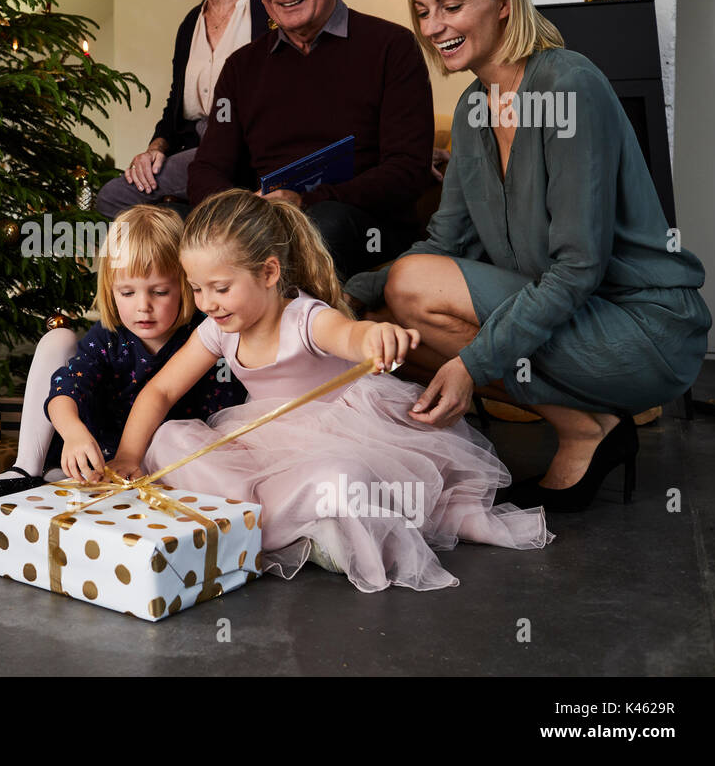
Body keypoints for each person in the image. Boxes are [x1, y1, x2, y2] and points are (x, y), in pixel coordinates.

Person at [343, 0, 711, 513]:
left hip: (641, 326)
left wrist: (472, 364)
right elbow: (445, 240)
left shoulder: (569, 84)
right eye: (422, 12)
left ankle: (585, 429)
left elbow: (578, 268)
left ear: (505, 2)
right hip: (572, 319)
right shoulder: (472, 108)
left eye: (452, 5)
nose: (434, 26)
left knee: (411, 287)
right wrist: (342, 295)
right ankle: (585, 427)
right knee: (381, 320)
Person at [102, 190, 551, 593]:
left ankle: (299, 525)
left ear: (269, 272)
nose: (207, 303)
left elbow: (350, 337)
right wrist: (126, 455)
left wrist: (373, 339)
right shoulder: (221, 329)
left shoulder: (304, 318)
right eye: (197, 289)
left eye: (220, 288)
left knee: (342, 476)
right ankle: (285, 523)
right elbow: (161, 390)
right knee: (169, 439)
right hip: (265, 447)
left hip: (341, 436)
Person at [188, 0, 435, 279]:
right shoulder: (242, 67)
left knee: (321, 225)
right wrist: (243, 209)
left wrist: (306, 202)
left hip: (363, 226)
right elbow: (207, 169)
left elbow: (407, 171)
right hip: (262, 224)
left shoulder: (392, 47)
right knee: (168, 224)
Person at [0, 205, 247, 503]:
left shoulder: (205, 335)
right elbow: (67, 388)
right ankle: (26, 470)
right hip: (99, 450)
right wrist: (73, 432)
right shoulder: (109, 337)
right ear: (110, 289)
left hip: (168, 459)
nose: (142, 306)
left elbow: (222, 413)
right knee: (58, 339)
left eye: (159, 292)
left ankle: (67, 481)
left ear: (187, 286)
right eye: (127, 293)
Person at [95, 0, 270, 219]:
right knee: (114, 199)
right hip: (195, 148)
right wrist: (155, 148)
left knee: (126, 201)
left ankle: (205, 234)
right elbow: (176, 104)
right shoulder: (190, 24)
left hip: (247, 148)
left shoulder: (268, 8)